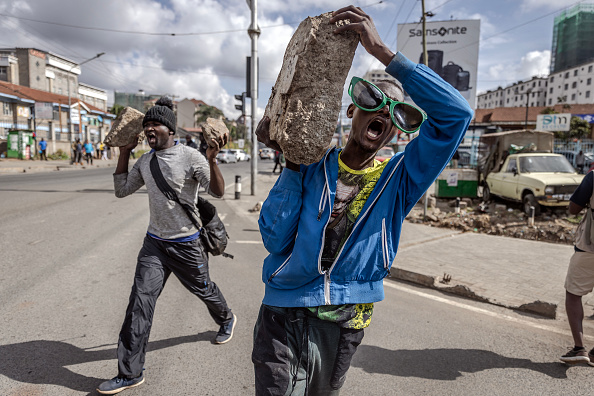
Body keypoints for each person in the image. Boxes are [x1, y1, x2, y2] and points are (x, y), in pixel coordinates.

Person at [252, 5, 473, 394]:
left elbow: (456, 115)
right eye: (373, 99)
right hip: (282, 311)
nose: (383, 114)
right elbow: (274, 239)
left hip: (343, 318)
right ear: (352, 110)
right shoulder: (311, 165)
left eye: (397, 112)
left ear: (397, 130)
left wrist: (385, 54)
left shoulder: (399, 179)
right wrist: (290, 165)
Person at [97, 96, 236, 395]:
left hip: (187, 244)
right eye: (146, 125)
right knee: (139, 305)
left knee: (204, 289)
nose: (149, 129)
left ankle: (226, 317)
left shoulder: (191, 157)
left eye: (155, 124)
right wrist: (124, 151)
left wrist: (211, 159)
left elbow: (219, 192)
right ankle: (130, 373)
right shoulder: (145, 161)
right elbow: (122, 190)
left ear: (170, 130)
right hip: (155, 245)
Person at [560, 170, 594, 365]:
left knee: (573, 294)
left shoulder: (593, 177)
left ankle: (579, 348)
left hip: (589, 247)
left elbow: (573, 209)